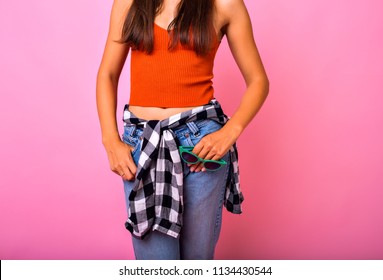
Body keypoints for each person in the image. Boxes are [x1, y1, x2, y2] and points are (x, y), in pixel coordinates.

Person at [96, 0, 269, 260]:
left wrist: (229, 132)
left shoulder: (225, 4)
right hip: (145, 144)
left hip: (200, 145)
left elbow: (258, 80)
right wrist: (111, 141)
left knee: (197, 261)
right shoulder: (128, 3)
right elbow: (108, 74)